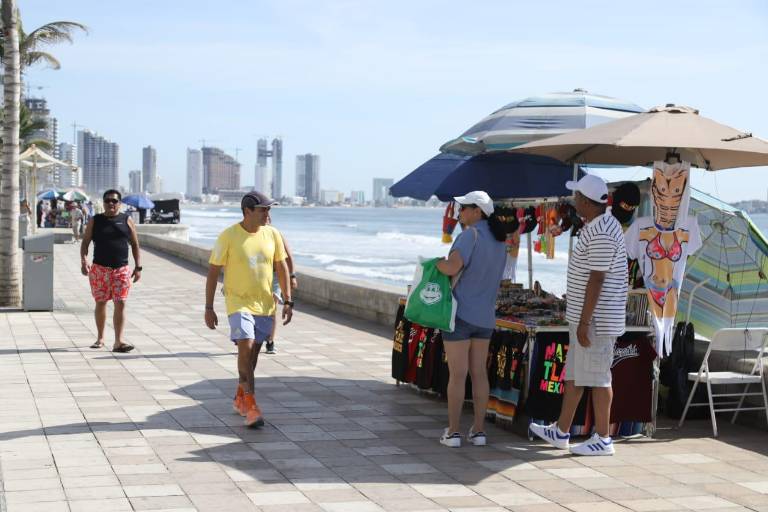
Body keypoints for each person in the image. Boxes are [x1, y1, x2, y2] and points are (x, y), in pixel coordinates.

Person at [530, 175, 628, 456]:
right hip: (587, 318)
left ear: (586, 201)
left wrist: (585, 322)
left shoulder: (602, 232)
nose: (574, 201)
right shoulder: (598, 225)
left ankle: (603, 438)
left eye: (577, 197)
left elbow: (597, 279)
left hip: (596, 321)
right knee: (574, 375)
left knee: (598, 378)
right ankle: (561, 431)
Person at [204, 191, 293, 428]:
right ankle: (252, 405)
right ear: (247, 211)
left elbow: (281, 267)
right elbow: (213, 272)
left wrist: (288, 300)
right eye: (263, 209)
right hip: (237, 302)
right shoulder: (229, 236)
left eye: (268, 209)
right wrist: (209, 307)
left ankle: (240, 395)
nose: (268, 214)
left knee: (251, 356)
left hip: (264, 303)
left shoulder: (272, 234)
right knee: (246, 344)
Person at [435, 191, 508, 448]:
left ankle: (453, 432)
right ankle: (478, 431)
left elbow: (452, 267)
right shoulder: (501, 241)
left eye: (464, 207)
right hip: (485, 317)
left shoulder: (470, 235)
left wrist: (435, 264)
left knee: (457, 375)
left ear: (478, 211)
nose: (459, 212)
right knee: (479, 374)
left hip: (461, 314)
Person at [80, 189, 142, 352]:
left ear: (119, 203)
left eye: (114, 201)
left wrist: (138, 267)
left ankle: (118, 341)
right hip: (99, 269)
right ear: (104, 203)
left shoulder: (126, 220)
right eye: (107, 201)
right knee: (100, 302)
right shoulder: (95, 220)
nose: (111, 204)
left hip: (121, 269)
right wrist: (83, 260)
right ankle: (100, 338)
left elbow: (135, 244)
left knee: (120, 302)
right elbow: (85, 242)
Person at [263, 211, 298, 355]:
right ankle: (250, 337)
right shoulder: (249, 234)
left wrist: (292, 276)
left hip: (275, 276)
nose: (266, 219)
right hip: (258, 276)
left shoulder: (276, 234)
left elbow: (289, 257)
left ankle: (270, 341)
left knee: (271, 308)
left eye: (268, 217)